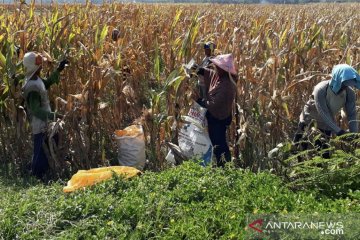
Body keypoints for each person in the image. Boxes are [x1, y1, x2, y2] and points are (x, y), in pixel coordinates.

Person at [293, 64, 360, 158]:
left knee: (323, 156)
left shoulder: (349, 93)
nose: (344, 88)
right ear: (337, 80)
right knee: (299, 153)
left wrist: (354, 136)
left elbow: (352, 115)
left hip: (326, 127)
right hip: (308, 122)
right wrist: (339, 132)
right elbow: (323, 113)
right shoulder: (321, 89)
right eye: (343, 84)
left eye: (347, 85)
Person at [21, 51, 68, 179]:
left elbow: (45, 84)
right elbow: (36, 110)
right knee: (41, 150)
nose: (42, 65)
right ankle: (37, 176)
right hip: (40, 122)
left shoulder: (36, 79)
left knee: (50, 144)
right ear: (34, 66)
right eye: (39, 63)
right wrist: (55, 116)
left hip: (45, 119)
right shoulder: (31, 87)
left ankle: (45, 172)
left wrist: (59, 69)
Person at [193, 53, 237, 167]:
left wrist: (201, 102)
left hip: (219, 118)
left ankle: (225, 167)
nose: (215, 68)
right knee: (217, 142)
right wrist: (198, 69)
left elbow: (214, 104)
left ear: (223, 70)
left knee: (219, 143)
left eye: (218, 67)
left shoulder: (227, 85)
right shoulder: (221, 78)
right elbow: (210, 74)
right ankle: (222, 165)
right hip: (216, 117)